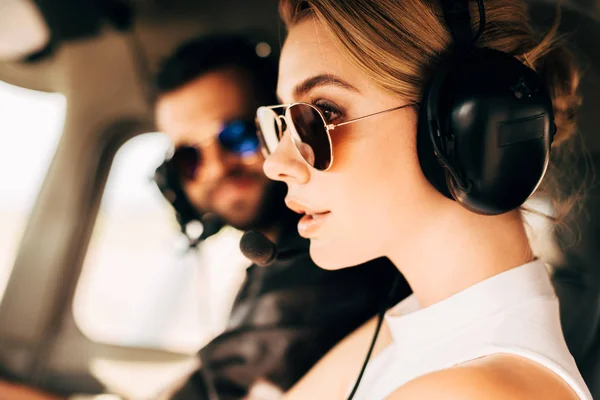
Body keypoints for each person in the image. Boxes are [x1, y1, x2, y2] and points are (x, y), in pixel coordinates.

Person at [0, 34, 410, 400]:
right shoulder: (274, 257)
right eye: (189, 156)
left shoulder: (322, 265)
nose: (216, 168)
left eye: (236, 135)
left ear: (282, 129)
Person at [255, 0, 594, 399]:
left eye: (321, 113)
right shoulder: (418, 327)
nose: (275, 164)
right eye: (280, 124)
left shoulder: (470, 390)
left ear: (464, 121)